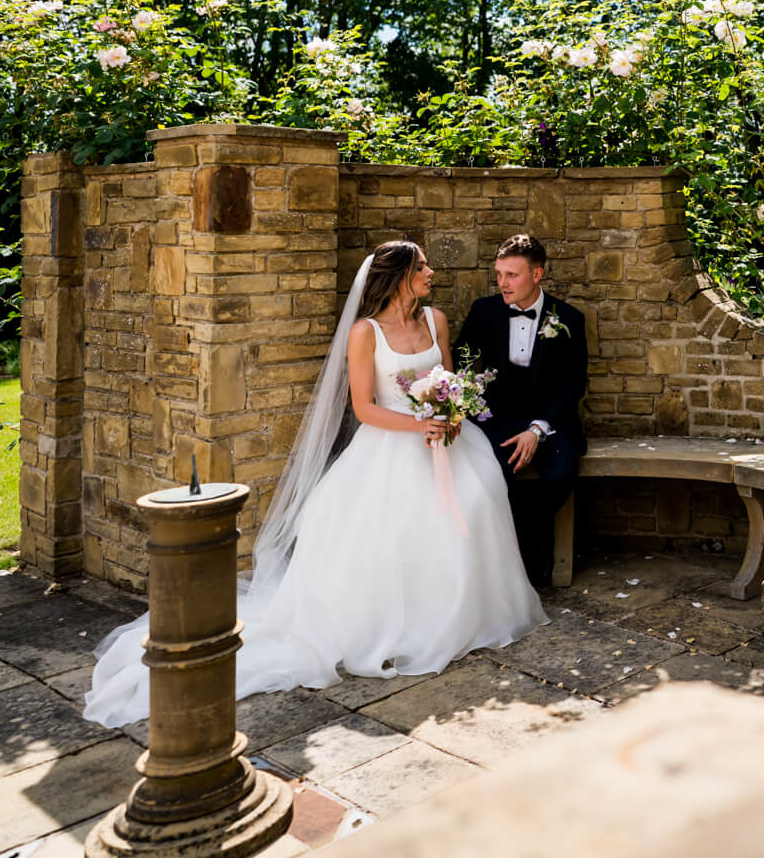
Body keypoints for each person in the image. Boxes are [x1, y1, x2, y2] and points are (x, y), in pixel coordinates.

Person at [84, 241, 546, 729]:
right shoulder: (365, 333)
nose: (431, 272)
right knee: (399, 529)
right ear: (398, 277)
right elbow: (364, 407)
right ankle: (401, 626)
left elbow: (448, 378)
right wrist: (420, 427)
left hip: (448, 441)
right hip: (391, 446)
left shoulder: (436, 320)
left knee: (477, 497)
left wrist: (449, 414)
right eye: (422, 266)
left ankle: (467, 614)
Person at [453, 234, 587, 586]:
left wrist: (537, 429)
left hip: (552, 422)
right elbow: (461, 363)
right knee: (491, 478)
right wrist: (468, 401)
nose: (502, 283)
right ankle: (508, 572)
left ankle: (527, 551)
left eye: (512, 275)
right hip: (497, 420)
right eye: (499, 274)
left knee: (559, 477)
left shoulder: (570, 319)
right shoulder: (484, 311)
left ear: (537, 274)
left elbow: (573, 387)